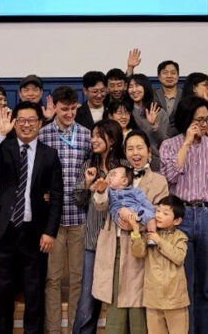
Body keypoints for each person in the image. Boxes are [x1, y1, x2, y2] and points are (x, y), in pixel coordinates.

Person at [0, 103, 64, 334]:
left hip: (35, 234)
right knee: (3, 294)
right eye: (21, 120)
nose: (26, 125)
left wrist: (50, 232)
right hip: (4, 231)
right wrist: (0, 134)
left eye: (31, 120)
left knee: (34, 293)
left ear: (40, 123)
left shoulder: (49, 155)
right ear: (15, 123)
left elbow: (57, 196)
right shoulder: (4, 147)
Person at [159, 96, 208, 334]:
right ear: (186, 119)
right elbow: (169, 177)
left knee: (206, 286)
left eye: (206, 120)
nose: (204, 125)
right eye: (199, 120)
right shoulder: (169, 145)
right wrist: (186, 144)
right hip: (182, 216)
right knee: (184, 284)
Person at [91, 131, 169, 334]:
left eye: (140, 148)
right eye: (131, 148)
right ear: (125, 152)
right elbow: (101, 205)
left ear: (149, 152)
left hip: (142, 249)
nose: (135, 153)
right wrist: (101, 191)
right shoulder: (115, 174)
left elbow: (161, 214)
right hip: (115, 247)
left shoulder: (159, 181)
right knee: (115, 305)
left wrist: (135, 223)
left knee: (139, 309)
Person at [37, 85, 92, 334]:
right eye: (64, 109)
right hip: (53, 220)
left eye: (72, 109)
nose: (69, 114)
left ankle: (74, 329)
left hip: (80, 216)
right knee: (53, 279)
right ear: (55, 107)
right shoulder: (43, 134)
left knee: (78, 278)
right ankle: (52, 330)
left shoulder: (87, 135)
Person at [73, 119, 127, 334]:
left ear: (112, 140)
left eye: (98, 136)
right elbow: (79, 200)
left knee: (118, 295)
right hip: (93, 240)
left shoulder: (124, 165)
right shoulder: (89, 165)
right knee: (88, 299)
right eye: (92, 135)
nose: (93, 140)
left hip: (118, 240)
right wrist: (88, 184)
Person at [131, 195, 189, 334]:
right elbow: (138, 252)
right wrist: (136, 232)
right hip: (153, 299)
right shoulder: (149, 234)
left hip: (175, 300)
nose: (159, 215)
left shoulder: (180, 237)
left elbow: (179, 257)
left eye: (165, 213)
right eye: (158, 211)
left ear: (177, 220)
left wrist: (159, 241)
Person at [107, 98, 162, 171]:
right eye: (119, 113)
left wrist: (153, 125)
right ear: (110, 116)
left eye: (127, 113)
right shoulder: (106, 135)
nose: (124, 117)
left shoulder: (137, 134)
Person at [127, 73, 170, 166]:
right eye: (130, 87)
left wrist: (154, 126)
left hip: (155, 163)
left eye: (137, 85)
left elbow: (165, 142)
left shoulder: (158, 112)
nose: (134, 90)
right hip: (130, 163)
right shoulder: (126, 113)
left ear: (145, 87)